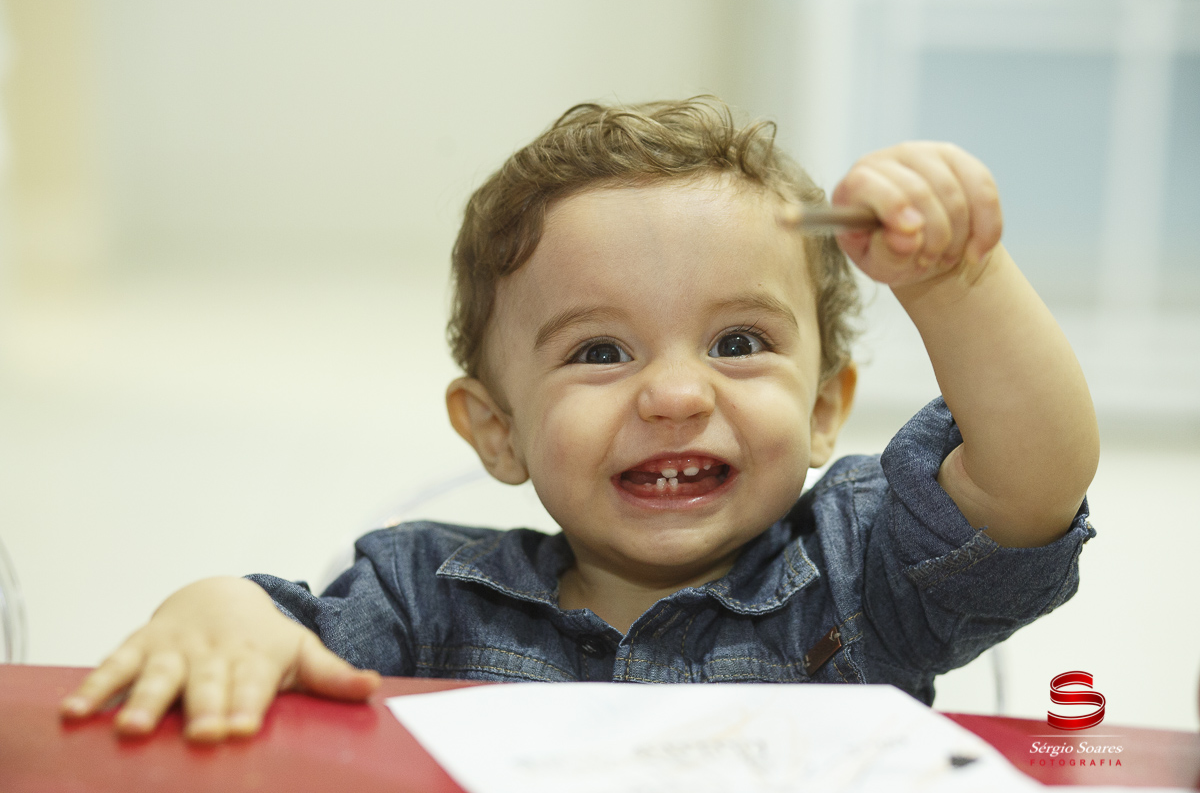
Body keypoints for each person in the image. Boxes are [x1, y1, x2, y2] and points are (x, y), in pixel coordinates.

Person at [60, 98, 1098, 742]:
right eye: (601, 351)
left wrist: (958, 284)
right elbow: (284, 647)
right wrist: (222, 606)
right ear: (497, 428)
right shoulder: (427, 598)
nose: (677, 394)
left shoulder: (864, 569)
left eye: (739, 342)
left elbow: (1029, 482)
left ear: (826, 406)